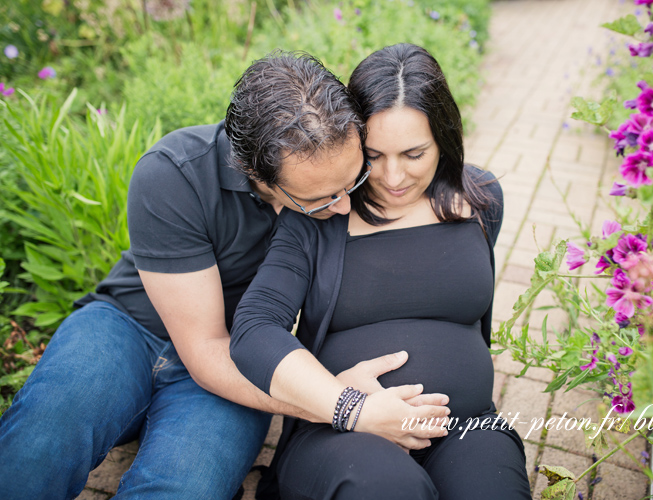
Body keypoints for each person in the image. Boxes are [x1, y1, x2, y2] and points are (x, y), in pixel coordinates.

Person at [0, 51, 448, 500]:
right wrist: (335, 403)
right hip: (127, 328)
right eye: (321, 199)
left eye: (351, 183)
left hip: (242, 357)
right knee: (41, 439)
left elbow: (420, 159)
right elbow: (203, 349)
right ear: (255, 171)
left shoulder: (344, 172)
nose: (344, 207)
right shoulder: (172, 174)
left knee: (182, 489)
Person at [230, 43, 533, 500]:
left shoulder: (481, 199)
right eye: (374, 156)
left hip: (467, 427)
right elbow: (254, 329)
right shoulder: (318, 218)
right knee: (391, 490)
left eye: (414, 154)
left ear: (444, 138)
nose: (393, 177)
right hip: (344, 436)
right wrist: (350, 409)